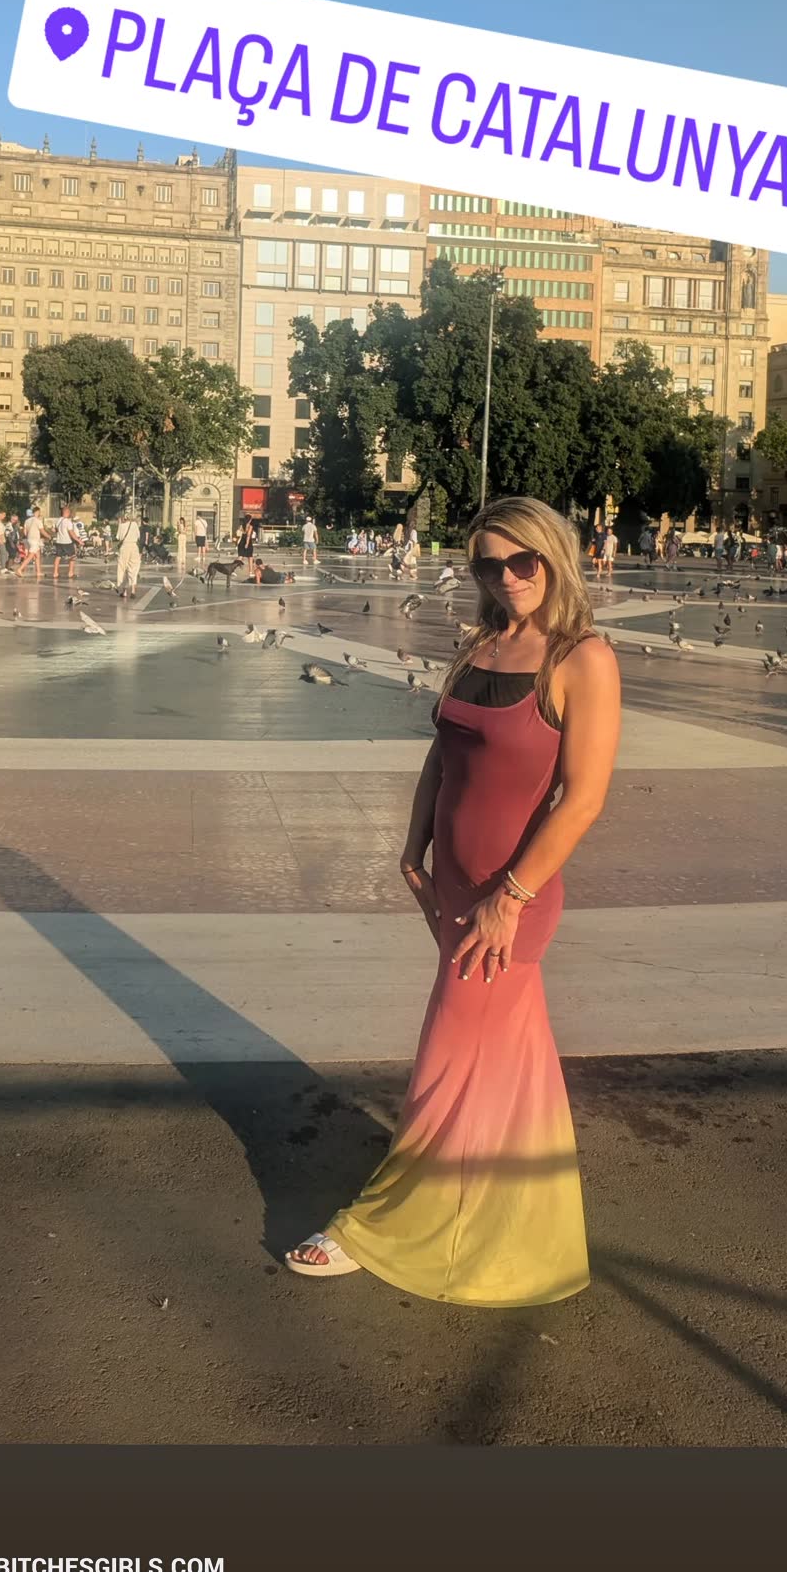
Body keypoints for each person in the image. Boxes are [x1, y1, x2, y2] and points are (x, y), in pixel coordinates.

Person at [285, 495, 622, 1305]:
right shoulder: (482, 643)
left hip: (512, 896)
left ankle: (379, 1226)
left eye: (521, 561)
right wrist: (413, 846)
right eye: (486, 564)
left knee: (448, 1053)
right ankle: (511, 1211)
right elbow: (444, 757)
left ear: (552, 556)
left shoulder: (581, 658)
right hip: (454, 882)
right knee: (498, 1060)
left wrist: (510, 897)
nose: (505, 577)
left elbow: (582, 799)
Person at [15, 507, 49, 581]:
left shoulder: (27, 521)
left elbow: (25, 532)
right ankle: (19, 569)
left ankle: (38, 572)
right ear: (37, 512)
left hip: (29, 539)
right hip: (35, 540)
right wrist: (48, 536)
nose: (40, 513)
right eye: (39, 512)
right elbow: (42, 531)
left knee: (37, 556)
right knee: (30, 556)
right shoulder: (38, 521)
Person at [117, 510, 142, 598]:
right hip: (134, 547)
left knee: (123, 569)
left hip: (125, 547)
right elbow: (138, 536)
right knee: (133, 569)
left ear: (125, 518)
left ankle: (124, 591)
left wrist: (119, 524)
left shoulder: (122, 525)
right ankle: (133, 591)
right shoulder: (135, 525)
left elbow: (119, 537)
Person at [51, 505, 79, 584]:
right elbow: (71, 533)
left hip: (59, 541)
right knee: (72, 556)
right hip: (67, 542)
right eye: (69, 512)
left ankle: (55, 573)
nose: (70, 514)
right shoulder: (68, 521)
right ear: (67, 512)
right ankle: (70, 573)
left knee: (58, 556)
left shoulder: (58, 520)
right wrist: (78, 540)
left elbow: (54, 530)